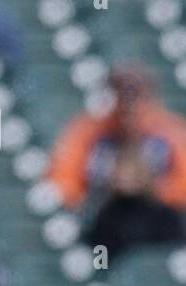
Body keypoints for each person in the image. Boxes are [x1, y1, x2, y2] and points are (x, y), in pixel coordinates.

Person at [48, 65, 186, 212]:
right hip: (103, 216)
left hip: (161, 218)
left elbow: (182, 190)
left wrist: (152, 190)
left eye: (135, 93)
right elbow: (64, 181)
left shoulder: (170, 131)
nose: (128, 102)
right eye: (121, 93)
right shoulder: (87, 130)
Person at [84, 145, 185, 263]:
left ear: (144, 174)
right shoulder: (106, 215)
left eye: (132, 172)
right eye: (123, 172)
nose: (127, 177)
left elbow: (174, 252)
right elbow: (100, 257)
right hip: (115, 278)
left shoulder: (165, 215)